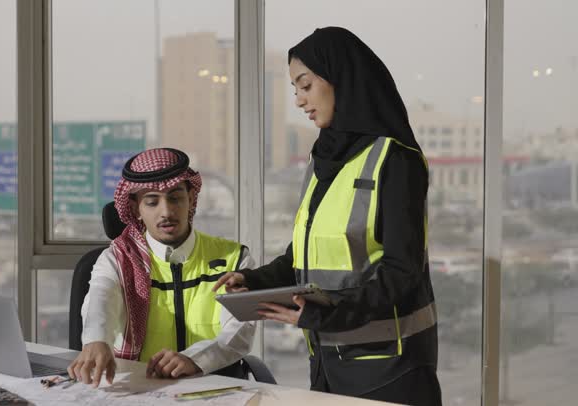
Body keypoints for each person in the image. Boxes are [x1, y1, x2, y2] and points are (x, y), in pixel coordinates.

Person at [214, 27, 442, 405]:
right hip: (327, 363)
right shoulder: (323, 159)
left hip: (391, 370)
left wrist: (325, 313)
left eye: (306, 85)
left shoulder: (396, 159)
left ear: (341, 78)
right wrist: (252, 281)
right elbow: (302, 258)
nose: (300, 101)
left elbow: (403, 272)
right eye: (295, 90)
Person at [68, 148, 255, 387]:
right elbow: (100, 300)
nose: (166, 212)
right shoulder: (117, 259)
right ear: (136, 208)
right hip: (139, 389)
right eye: (152, 201)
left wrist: (194, 359)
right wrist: (96, 341)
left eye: (175, 198)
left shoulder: (234, 259)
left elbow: (239, 331)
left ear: (190, 197)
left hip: (215, 388)